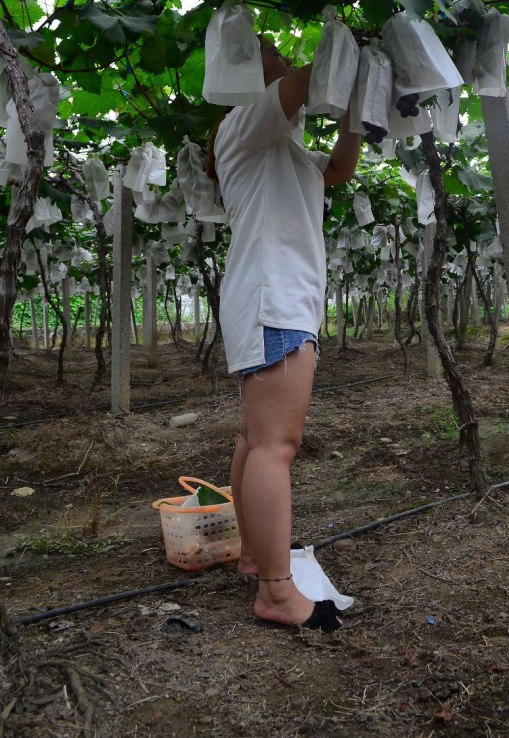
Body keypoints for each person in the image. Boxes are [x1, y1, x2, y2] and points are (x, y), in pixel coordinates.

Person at [209, 35, 361, 631]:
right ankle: (276, 592)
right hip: (276, 298)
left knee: (255, 437)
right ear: (247, 70)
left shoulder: (283, 144)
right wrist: (358, 49)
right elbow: (308, 79)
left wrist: (355, 113)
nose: (278, 51)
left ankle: (255, 556)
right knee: (277, 444)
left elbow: (341, 170)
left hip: (277, 296)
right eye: (267, 48)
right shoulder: (247, 121)